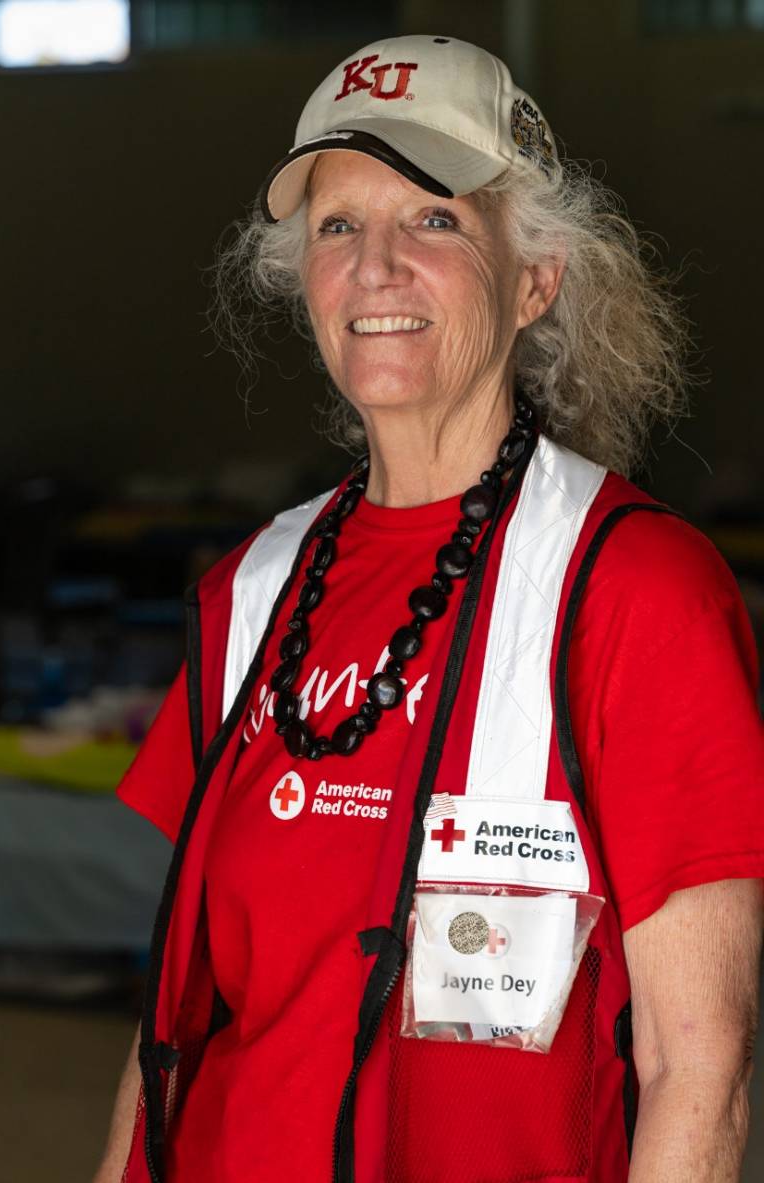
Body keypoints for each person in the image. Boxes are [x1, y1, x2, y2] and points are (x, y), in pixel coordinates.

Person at [94, 34, 764, 1183]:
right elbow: (172, 1030)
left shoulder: (639, 591)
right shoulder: (252, 588)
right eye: (338, 226)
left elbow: (698, 1071)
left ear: (536, 281)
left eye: (435, 221)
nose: (375, 268)